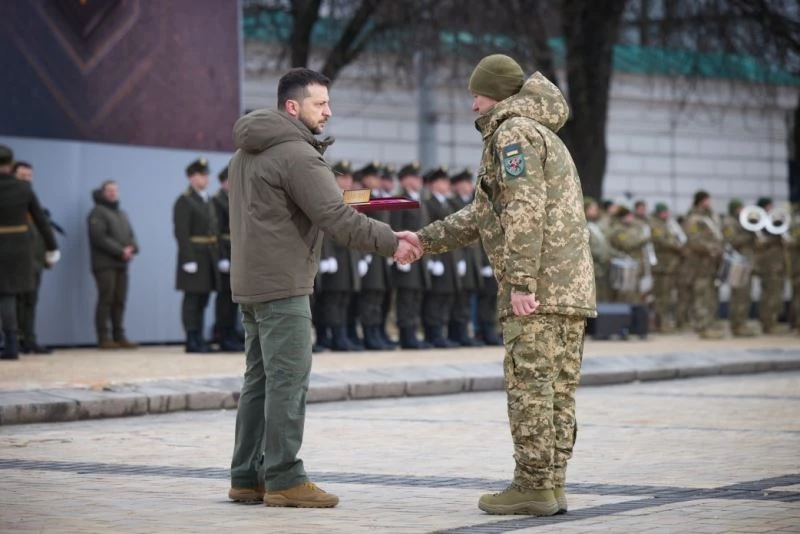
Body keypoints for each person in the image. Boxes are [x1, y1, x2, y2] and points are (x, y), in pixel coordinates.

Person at [397, 55, 596, 516]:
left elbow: (523, 211)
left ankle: (532, 485)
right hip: (569, 290)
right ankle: (552, 484)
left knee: (530, 387)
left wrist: (522, 283)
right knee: (557, 391)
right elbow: (486, 214)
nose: (473, 103)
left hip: (537, 290)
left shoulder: (512, 134)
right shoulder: (542, 133)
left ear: (499, 94)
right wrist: (424, 240)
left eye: (478, 93)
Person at [226, 68, 415, 508]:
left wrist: (370, 200)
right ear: (292, 107)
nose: (328, 112)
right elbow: (336, 216)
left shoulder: (244, 154)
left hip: (252, 284)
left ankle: (246, 475)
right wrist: (392, 242)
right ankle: (285, 478)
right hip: (284, 285)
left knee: (260, 381)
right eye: (320, 104)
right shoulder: (297, 154)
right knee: (288, 382)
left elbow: (322, 202)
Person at [0, 145, 60, 360]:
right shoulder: (24, 189)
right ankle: (11, 344)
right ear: (11, 164)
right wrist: (53, 248)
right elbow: (43, 223)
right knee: (8, 298)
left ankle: (15, 343)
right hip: (18, 250)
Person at [173, 158, 220, 353]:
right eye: (202, 175)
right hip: (194, 255)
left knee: (203, 300)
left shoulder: (206, 199)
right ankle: (191, 338)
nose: (206, 178)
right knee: (192, 300)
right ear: (191, 177)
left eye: (206, 174)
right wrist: (188, 259)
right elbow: (181, 232)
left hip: (207, 256)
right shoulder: (184, 200)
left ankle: (199, 337)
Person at [87, 180, 139, 349]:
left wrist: (133, 247)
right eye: (109, 190)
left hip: (122, 264)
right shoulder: (97, 212)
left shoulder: (121, 213)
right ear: (102, 192)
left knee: (120, 299)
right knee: (106, 298)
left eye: (115, 190)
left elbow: (130, 235)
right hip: (104, 264)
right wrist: (120, 251)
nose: (113, 193)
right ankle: (103, 337)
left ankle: (119, 335)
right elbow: (99, 237)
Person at [389, 162, 433, 349]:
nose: (418, 180)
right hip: (405, 256)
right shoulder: (400, 199)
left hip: (419, 257)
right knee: (406, 297)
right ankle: (406, 336)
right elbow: (396, 227)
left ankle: (413, 333)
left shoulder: (419, 199)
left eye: (419, 177)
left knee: (415, 296)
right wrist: (396, 254)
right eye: (413, 177)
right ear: (404, 180)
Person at [13, 161, 54, 354]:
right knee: (14, 303)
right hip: (15, 262)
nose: (26, 180)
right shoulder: (8, 202)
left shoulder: (33, 202)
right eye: (22, 176)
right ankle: (14, 340)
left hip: (35, 261)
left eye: (29, 176)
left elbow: (42, 231)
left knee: (31, 302)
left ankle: (29, 339)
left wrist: (48, 254)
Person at [420, 166, 461, 348]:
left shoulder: (448, 204)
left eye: (446, 181)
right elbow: (427, 231)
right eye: (442, 181)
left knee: (447, 296)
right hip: (437, 257)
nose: (446, 184)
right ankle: (432, 333)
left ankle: (441, 333)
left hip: (449, 257)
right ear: (433, 184)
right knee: (435, 298)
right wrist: (432, 261)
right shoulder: (429, 204)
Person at [448, 167, 484, 347]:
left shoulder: (473, 202)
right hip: (458, 257)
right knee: (458, 298)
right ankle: (457, 333)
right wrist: (458, 258)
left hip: (473, 259)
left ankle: (465, 331)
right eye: (465, 183)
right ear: (457, 185)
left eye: (470, 183)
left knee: (468, 296)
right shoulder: (452, 203)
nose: (469, 186)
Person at [684, 190, 725, 339]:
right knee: (701, 294)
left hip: (711, 264)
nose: (710, 202)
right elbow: (694, 241)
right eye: (707, 200)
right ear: (701, 201)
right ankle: (702, 326)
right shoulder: (694, 219)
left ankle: (710, 322)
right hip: (699, 264)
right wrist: (713, 249)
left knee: (710, 294)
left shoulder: (710, 217)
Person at [212, 167, 244, 352]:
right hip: (226, 252)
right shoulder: (217, 201)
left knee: (234, 297)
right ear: (224, 181)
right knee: (224, 297)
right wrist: (221, 257)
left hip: (237, 253)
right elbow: (215, 231)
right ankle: (223, 334)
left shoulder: (236, 199)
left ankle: (232, 332)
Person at [722, 200, 759, 337]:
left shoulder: (742, 222)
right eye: (739, 208)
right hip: (737, 262)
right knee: (739, 294)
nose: (742, 211)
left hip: (746, 261)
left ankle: (741, 322)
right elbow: (731, 239)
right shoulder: (729, 222)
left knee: (745, 295)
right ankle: (736, 325)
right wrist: (748, 236)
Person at [753, 197, 788, 334]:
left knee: (775, 294)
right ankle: (769, 324)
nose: (771, 209)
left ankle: (771, 321)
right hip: (768, 266)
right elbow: (760, 243)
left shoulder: (774, 222)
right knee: (770, 295)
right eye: (769, 206)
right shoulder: (760, 223)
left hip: (777, 265)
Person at [649, 203, 684, 333]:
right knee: (661, 296)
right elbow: (662, 241)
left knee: (667, 296)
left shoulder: (667, 224)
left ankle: (664, 322)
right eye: (664, 212)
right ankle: (661, 323)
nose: (667, 215)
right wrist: (678, 246)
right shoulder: (655, 225)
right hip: (661, 267)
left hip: (669, 266)